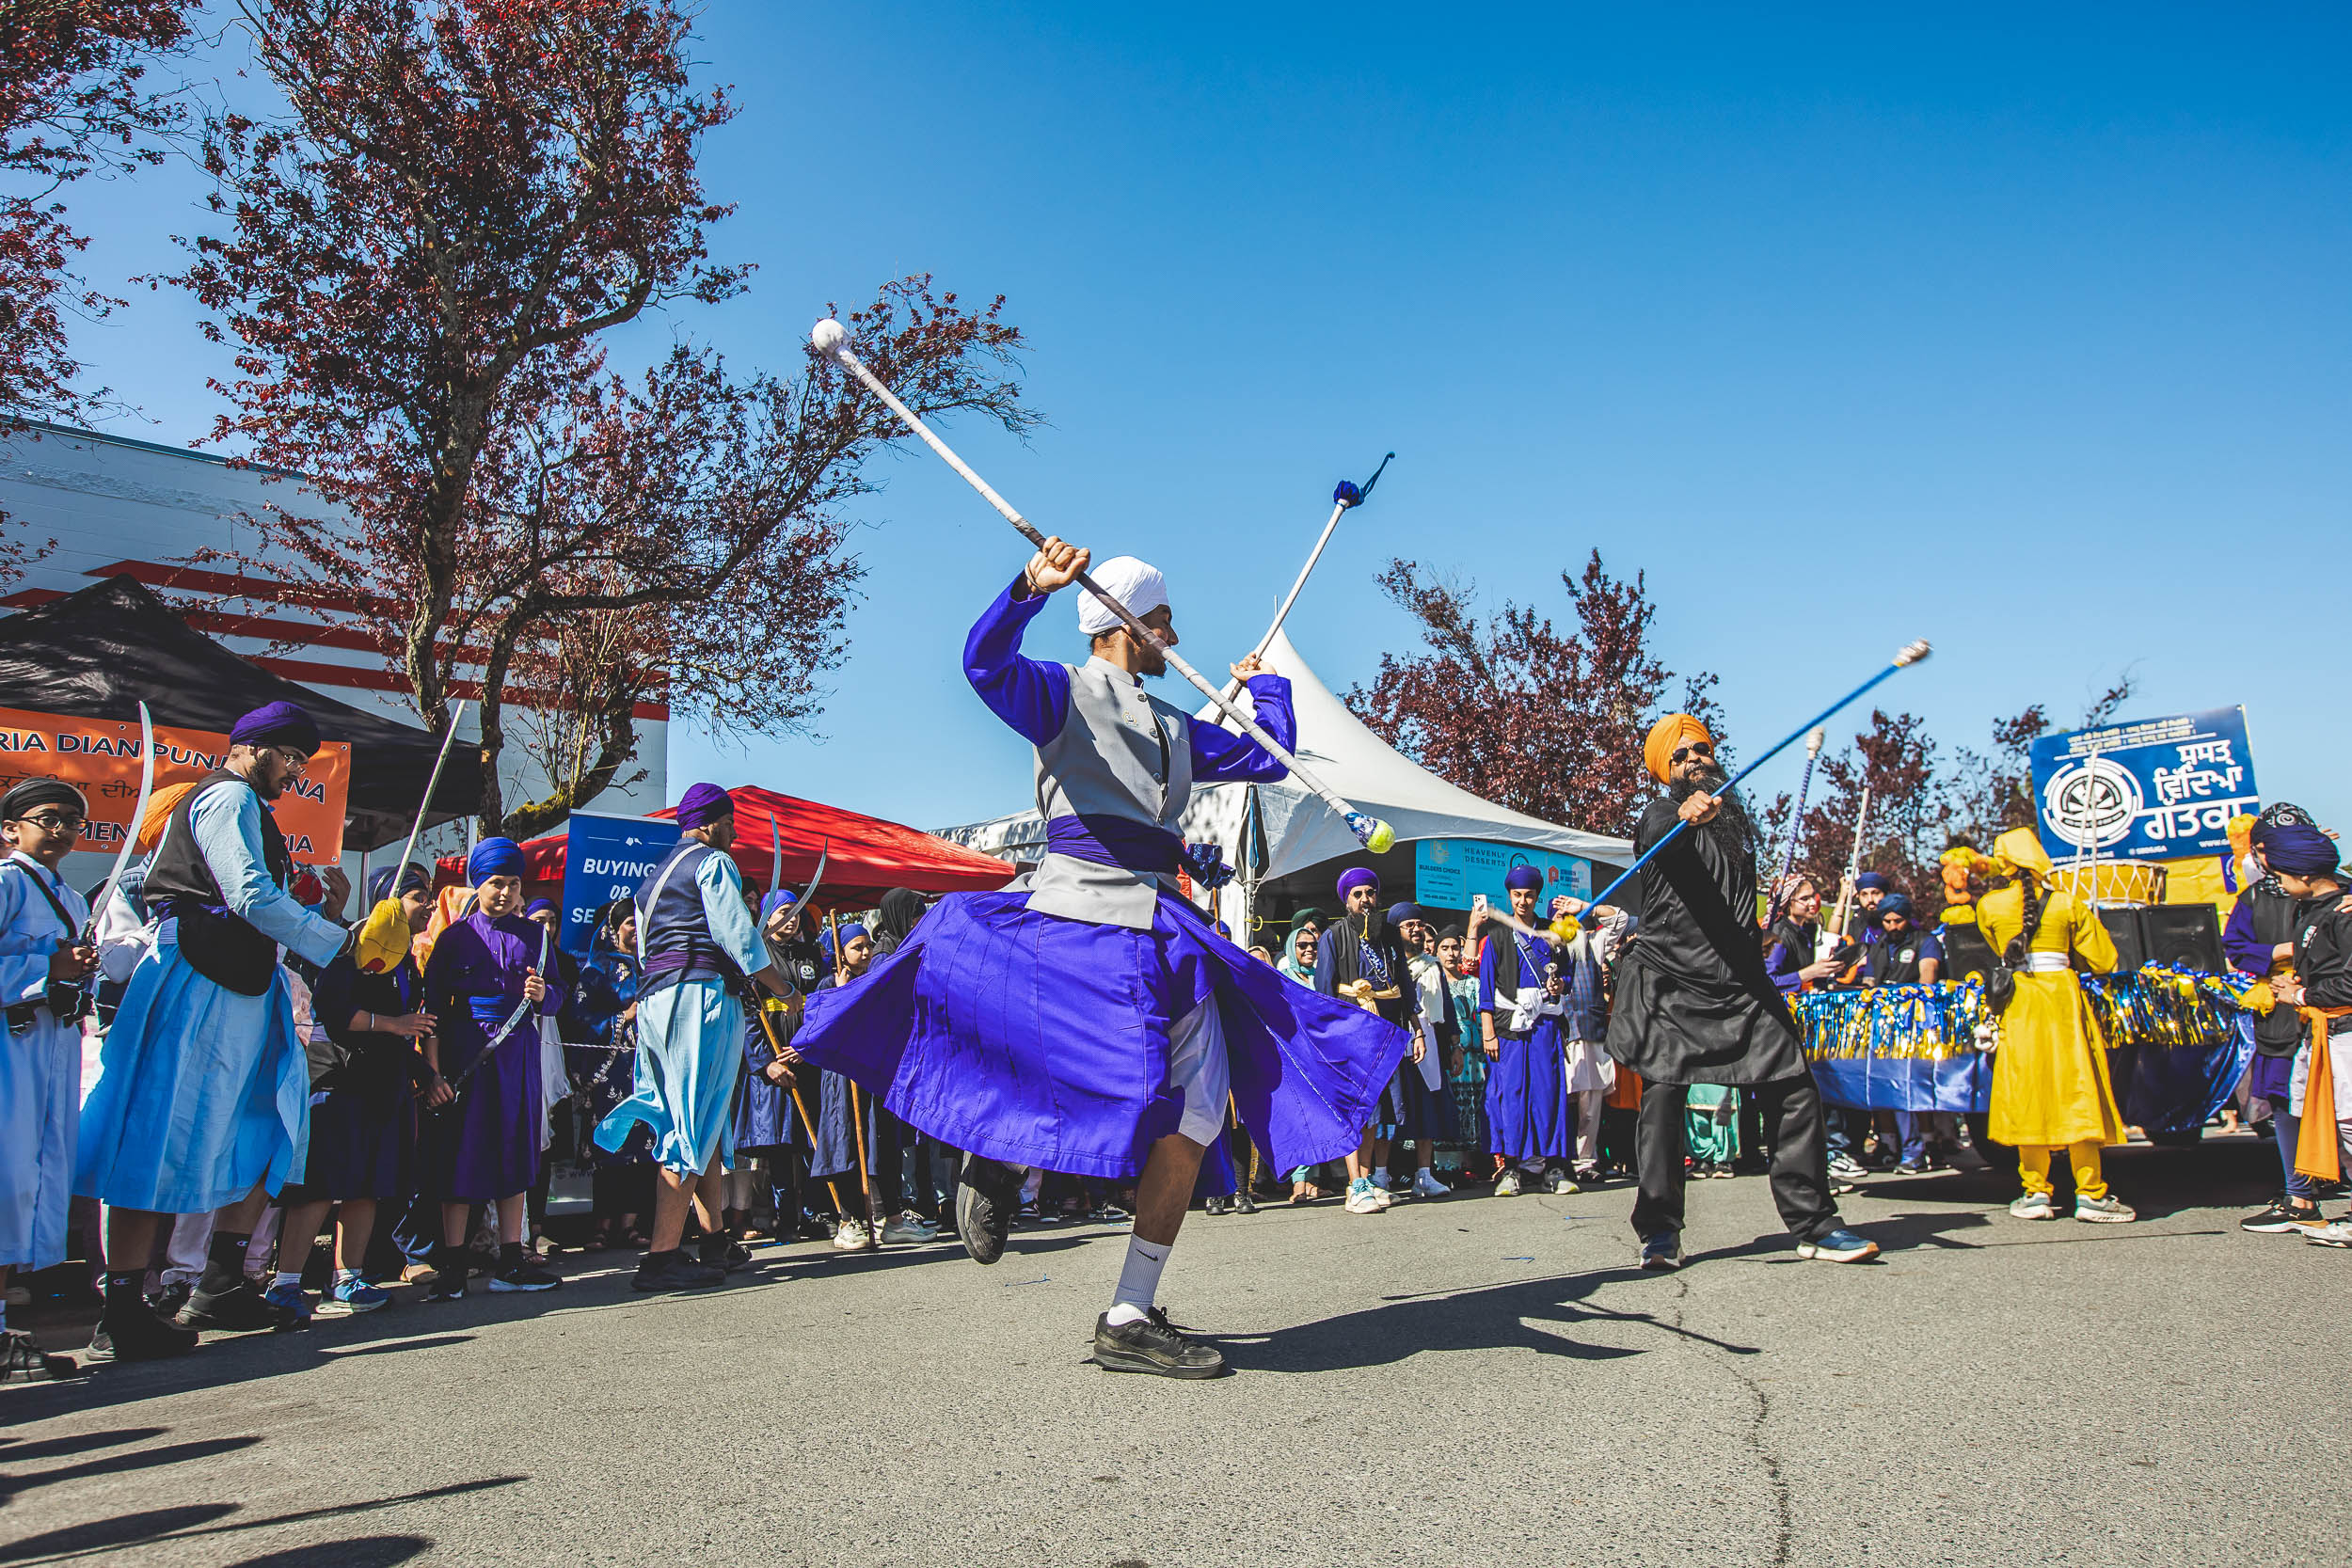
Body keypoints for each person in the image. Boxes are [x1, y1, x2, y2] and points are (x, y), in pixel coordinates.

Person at [794, 539, 1408, 1378]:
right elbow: (982, 665)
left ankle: (1128, 1312)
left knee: (1199, 1109)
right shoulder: (1061, 691)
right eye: (1164, 622)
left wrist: (1264, 687)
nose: (1175, 638)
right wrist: (1027, 588)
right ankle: (1000, 1153)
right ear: (1126, 621)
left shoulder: (1173, 724)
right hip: (1076, 912)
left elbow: (1271, 757)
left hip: (1162, 925)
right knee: (1104, 1075)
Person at [77, 702, 356, 1359]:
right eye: (290, 758)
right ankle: (123, 1310)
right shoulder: (227, 796)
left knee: (271, 1122)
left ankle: (223, 1280)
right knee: (159, 1133)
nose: (295, 773)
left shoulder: (253, 808)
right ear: (254, 747)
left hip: (247, 982)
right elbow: (248, 893)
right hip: (198, 978)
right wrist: (334, 940)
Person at [1607, 715, 1879, 1270]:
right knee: (1663, 1099)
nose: (1693, 760)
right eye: (1679, 756)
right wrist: (1684, 817)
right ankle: (1660, 1231)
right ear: (1664, 770)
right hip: (1671, 983)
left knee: (1795, 1086)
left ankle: (1815, 1224)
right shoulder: (1660, 814)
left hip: (1740, 982)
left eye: (1700, 749)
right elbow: (1659, 837)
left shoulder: (1734, 823)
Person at [594, 784, 785, 1291]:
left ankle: (713, 1239)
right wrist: (786, 992)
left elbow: (645, 954)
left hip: (658, 1001)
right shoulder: (712, 863)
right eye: (730, 823)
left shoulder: (651, 879)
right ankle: (660, 1258)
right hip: (698, 999)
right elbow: (740, 939)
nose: (735, 833)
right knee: (690, 1125)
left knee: (703, 1125)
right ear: (710, 823)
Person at [270, 864, 442, 1319]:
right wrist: (393, 1024)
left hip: (384, 1087)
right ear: (389, 900)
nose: (428, 904)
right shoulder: (351, 945)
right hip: (340, 1083)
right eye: (417, 895)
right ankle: (285, 1284)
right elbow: (334, 1010)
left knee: (367, 1187)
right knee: (321, 1187)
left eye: (429, 895)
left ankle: (347, 1279)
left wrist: (427, 1076)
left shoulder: (407, 962)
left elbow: (406, 1032)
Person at [419, 838, 568, 1298]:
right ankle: (453, 1265)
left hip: (518, 1055)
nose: (504, 893)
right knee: (460, 1157)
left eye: (513, 884)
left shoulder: (536, 938)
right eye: (496, 883)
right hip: (467, 1055)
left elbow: (559, 995)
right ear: (478, 885)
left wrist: (545, 995)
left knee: (515, 1152)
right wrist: (433, 1073)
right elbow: (432, 1010)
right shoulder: (454, 938)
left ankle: (511, 1259)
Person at [1974, 828, 2133, 1223]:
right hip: (2063, 1003)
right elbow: (2105, 961)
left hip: (2019, 1003)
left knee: (2028, 1093)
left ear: (2003, 863)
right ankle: (2091, 1193)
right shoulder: (2067, 902)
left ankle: (2035, 1192)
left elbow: (2001, 951)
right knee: (2077, 1091)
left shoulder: (1989, 905)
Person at [0, 780, 97, 1381]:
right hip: (11, 1052)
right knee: (6, 1177)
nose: (61, 829)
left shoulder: (73, 898)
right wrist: (47, 965)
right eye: (48, 818)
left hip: (52, 1048)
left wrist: (79, 970)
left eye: (72, 821)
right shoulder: (8, 883)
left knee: (30, 1180)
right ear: (11, 828)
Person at [2247, 818, 2352, 1245]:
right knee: (2324, 1115)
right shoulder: (2310, 908)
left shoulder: (2344, 912)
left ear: (2305, 874)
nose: (2278, 882)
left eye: (2282, 874)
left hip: (2343, 1030)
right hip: (2320, 1030)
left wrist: (2301, 994)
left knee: (2349, 1120)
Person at [2227, 805, 2325, 1233]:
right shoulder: (2253, 897)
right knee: (2285, 1100)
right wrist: (2277, 952)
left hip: (2333, 1004)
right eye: (2265, 848)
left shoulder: (2337, 893)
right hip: (2280, 1008)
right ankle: (2299, 1195)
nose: (2272, 857)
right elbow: (2235, 947)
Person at [1312, 873, 1424, 1213]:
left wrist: (1417, 1030)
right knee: (1356, 1109)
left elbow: (1403, 982)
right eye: (1357, 894)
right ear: (1346, 900)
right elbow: (1324, 990)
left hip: (1387, 1031)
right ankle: (1354, 1185)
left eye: (1370, 893)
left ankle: (1367, 1178)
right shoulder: (1333, 936)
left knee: (1377, 1110)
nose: (1365, 899)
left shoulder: (1388, 935)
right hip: (1351, 1033)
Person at [1479, 867, 1580, 1196]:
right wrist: (1488, 1032)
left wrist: (1561, 984)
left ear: (1537, 897)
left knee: (1549, 1095)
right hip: (1508, 1029)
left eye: (1529, 896)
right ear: (1510, 896)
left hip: (1545, 1026)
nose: (1523, 901)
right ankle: (1511, 1169)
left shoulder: (1553, 933)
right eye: (1517, 895)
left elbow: (1567, 975)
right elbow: (1486, 989)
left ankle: (1554, 1169)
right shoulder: (1496, 936)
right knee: (1510, 1096)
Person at [572, 899, 652, 1250]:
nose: (635, 929)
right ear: (613, 929)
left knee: (643, 1148)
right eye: (629, 923)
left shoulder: (653, 965)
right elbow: (580, 1020)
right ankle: (601, 1226)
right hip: (610, 1071)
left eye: (639, 922)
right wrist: (623, 1018)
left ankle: (631, 1225)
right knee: (610, 1145)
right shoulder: (597, 970)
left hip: (648, 1069)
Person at [1862, 894, 1952, 1175]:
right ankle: (1889, 1146)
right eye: (1887, 921)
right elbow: (1869, 981)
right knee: (1882, 1088)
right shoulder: (1879, 945)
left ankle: (1922, 1148)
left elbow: (1928, 978)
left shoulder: (1925, 941)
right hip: (1883, 1025)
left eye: (1898, 920)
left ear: (1907, 918)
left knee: (1912, 1089)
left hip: (1915, 1022)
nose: (1892, 926)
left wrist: (1907, 999)